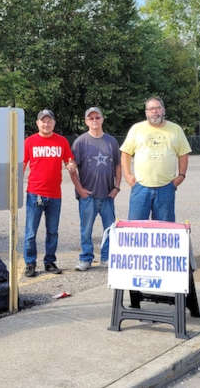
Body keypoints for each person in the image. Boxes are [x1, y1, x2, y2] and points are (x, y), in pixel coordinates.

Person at [120, 97, 191, 222]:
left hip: (166, 187)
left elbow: (183, 154)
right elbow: (126, 153)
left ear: (163, 110)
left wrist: (181, 176)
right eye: (151, 109)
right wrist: (127, 175)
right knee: (136, 227)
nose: (155, 111)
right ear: (146, 112)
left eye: (158, 108)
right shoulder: (136, 129)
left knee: (165, 229)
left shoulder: (176, 130)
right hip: (140, 187)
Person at [23, 109, 75, 277]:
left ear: (54, 123)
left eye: (49, 121)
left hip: (54, 194)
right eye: (43, 121)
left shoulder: (61, 141)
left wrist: (71, 166)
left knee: (52, 231)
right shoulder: (30, 142)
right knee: (31, 232)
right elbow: (21, 165)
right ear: (37, 123)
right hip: (34, 193)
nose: (46, 124)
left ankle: (50, 262)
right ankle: (30, 263)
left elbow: (69, 160)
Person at [70, 107, 121, 271]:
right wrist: (80, 189)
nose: (94, 121)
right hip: (88, 196)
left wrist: (117, 187)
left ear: (102, 119)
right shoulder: (80, 142)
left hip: (107, 195)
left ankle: (107, 257)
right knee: (86, 230)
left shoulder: (111, 141)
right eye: (90, 118)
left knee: (110, 229)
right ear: (86, 121)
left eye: (97, 117)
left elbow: (118, 166)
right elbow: (72, 168)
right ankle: (86, 258)